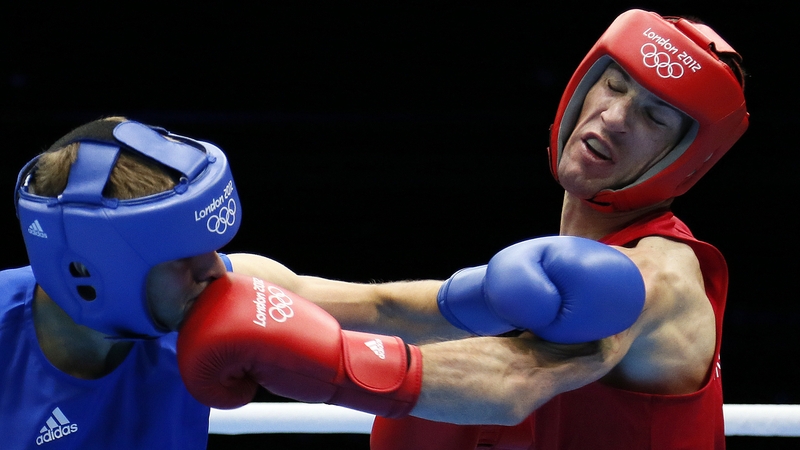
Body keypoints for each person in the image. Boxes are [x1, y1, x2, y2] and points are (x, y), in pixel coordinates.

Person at [175, 8, 748, 450]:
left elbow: (514, 383)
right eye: (615, 85)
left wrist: (318, 364)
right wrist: (197, 272)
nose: (616, 116)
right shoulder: (542, 277)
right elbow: (378, 305)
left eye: (654, 116)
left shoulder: (660, 277)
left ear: (689, 156)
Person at [1, 116, 245, 448]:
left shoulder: (199, 297)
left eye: (210, 249)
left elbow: (301, 290)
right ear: (87, 269)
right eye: (181, 257)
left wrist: (341, 368)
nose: (215, 270)